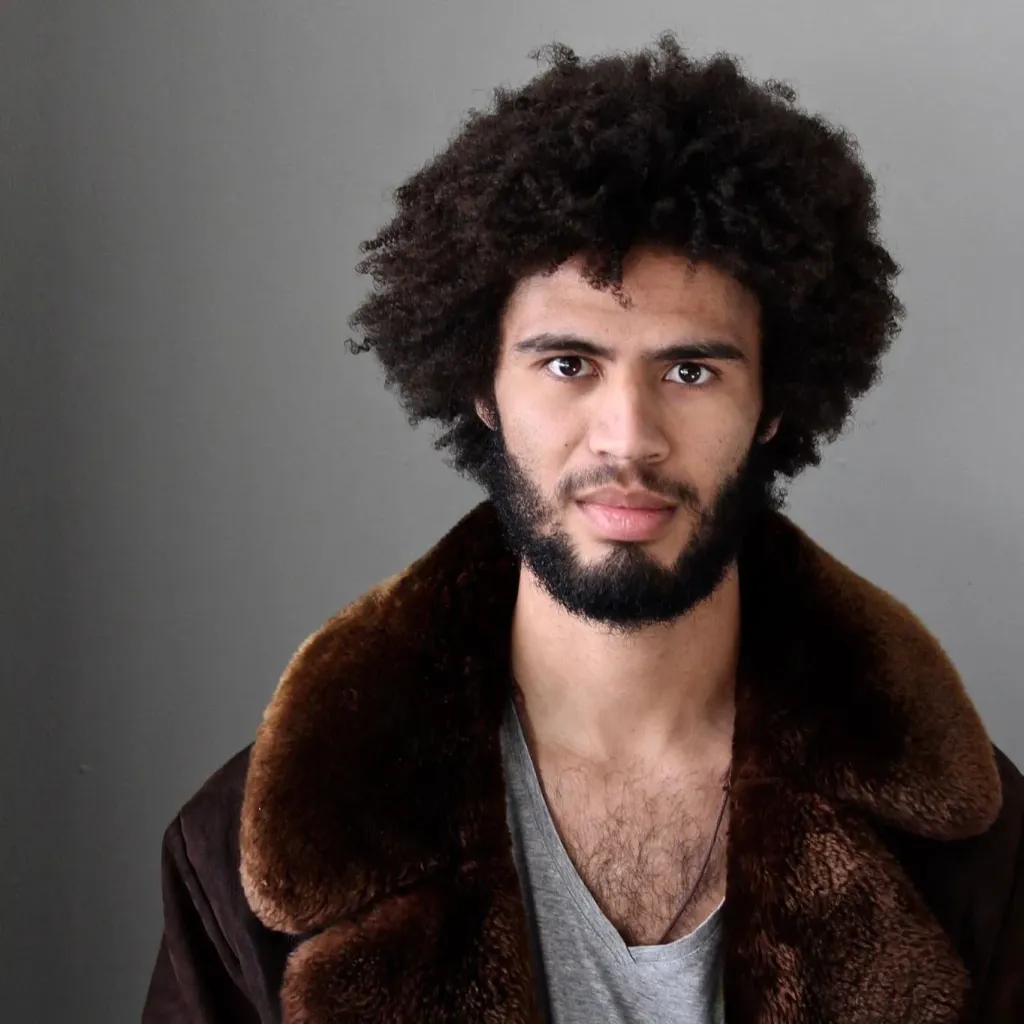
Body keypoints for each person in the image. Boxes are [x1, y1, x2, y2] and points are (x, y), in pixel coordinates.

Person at [142, 33, 1024, 1024]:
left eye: (690, 371)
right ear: (482, 387)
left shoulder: (971, 851)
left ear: (774, 403)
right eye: (568, 364)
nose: (628, 437)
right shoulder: (262, 848)